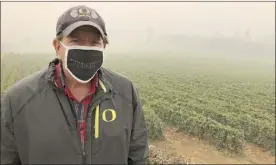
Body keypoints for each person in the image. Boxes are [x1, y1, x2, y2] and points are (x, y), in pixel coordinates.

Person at [1, 5, 149, 164]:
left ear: (103, 47)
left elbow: (137, 156)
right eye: (75, 41)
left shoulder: (126, 93)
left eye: (94, 43)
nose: (85, 49)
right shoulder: (18, 100)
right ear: (57, 47)